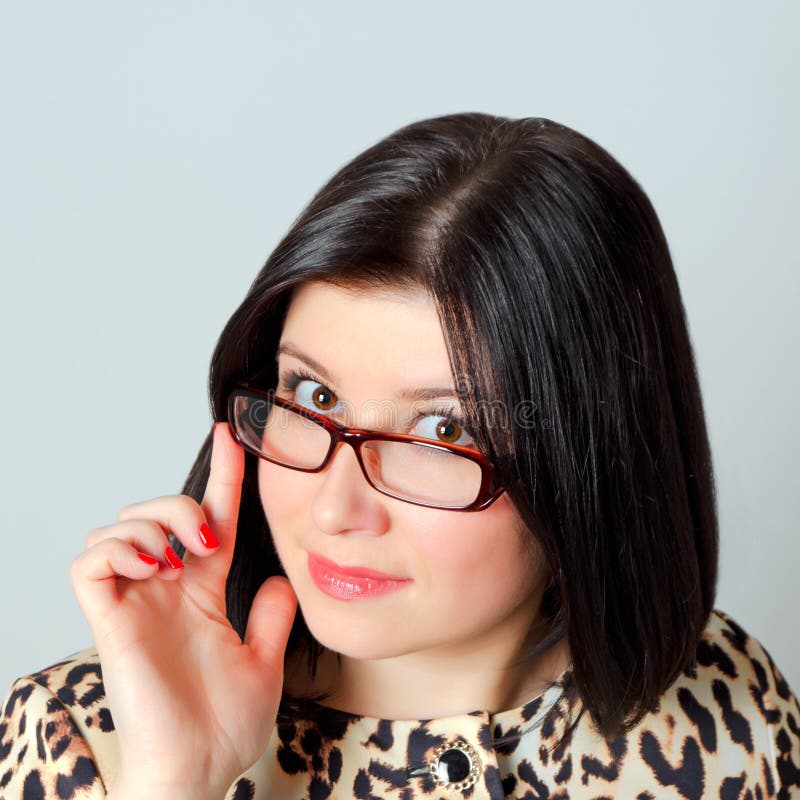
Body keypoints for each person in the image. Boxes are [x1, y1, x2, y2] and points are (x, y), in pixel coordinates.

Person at [1, 112, 798, 800]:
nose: (333, 510)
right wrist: (172, 782)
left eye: (443, 432)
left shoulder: (723, 709)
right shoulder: (79, 742)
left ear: (589, 458)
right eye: (312, 398)